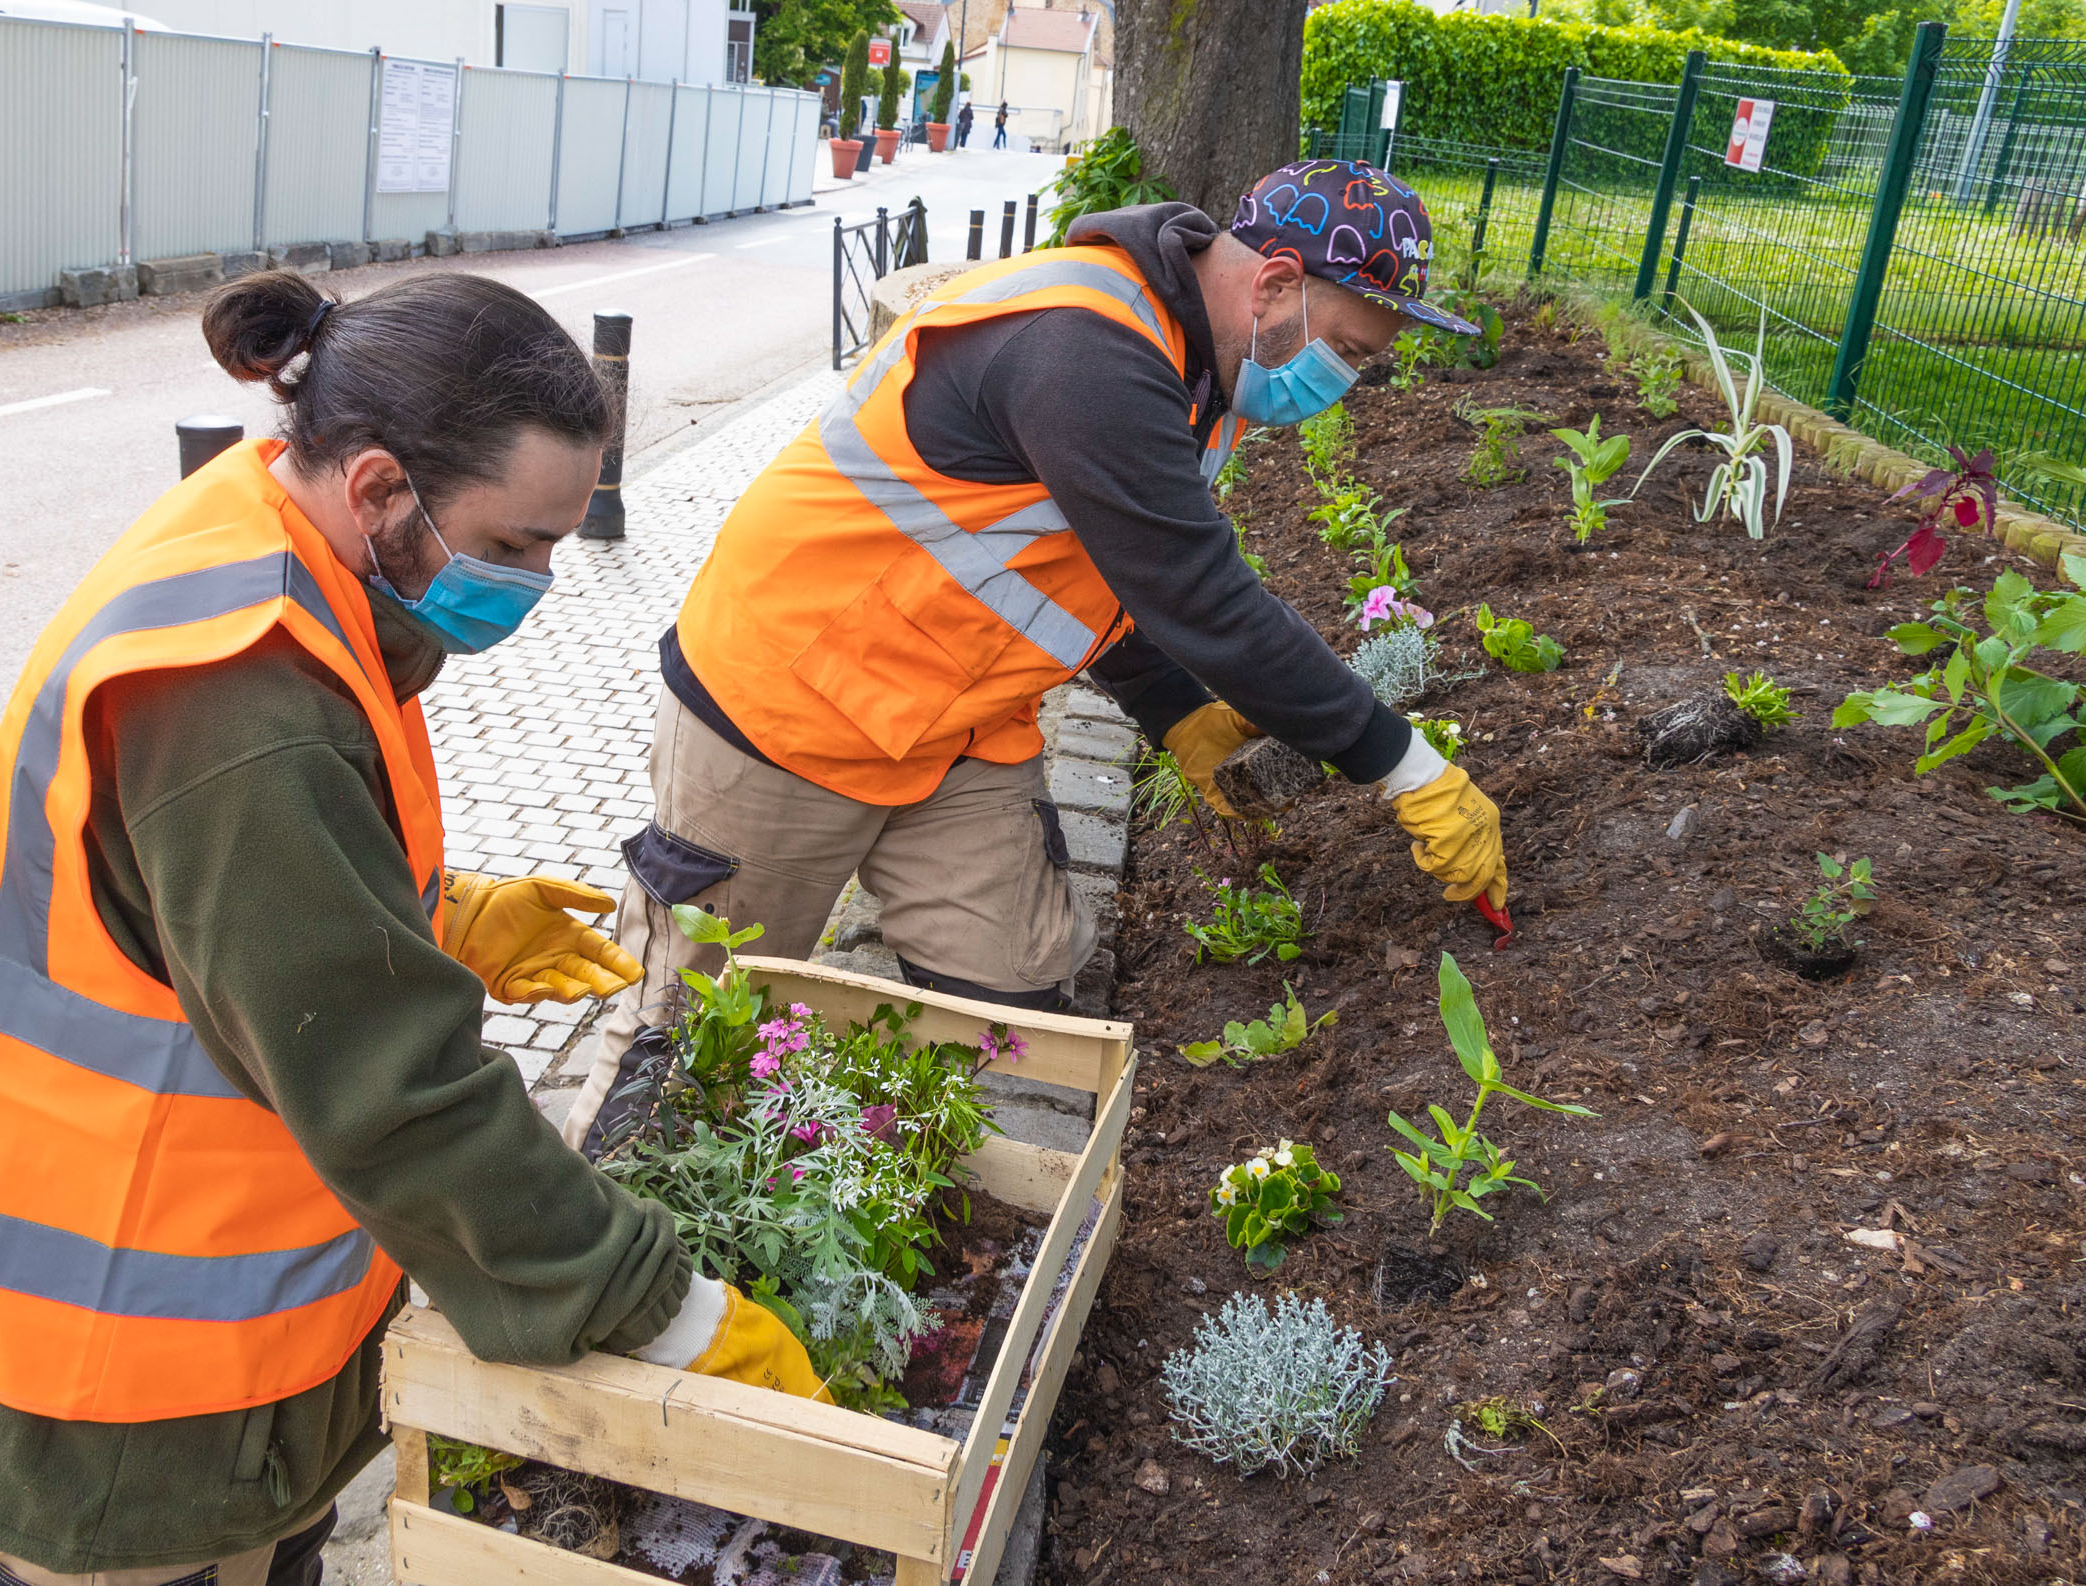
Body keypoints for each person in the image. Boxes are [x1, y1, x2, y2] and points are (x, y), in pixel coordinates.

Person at [0, 269, 820, 1586]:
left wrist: (434, 919)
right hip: (125, 1385)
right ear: (380, 490)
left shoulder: (266, 534)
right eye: (516, 542)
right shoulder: (241, 696)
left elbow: (198, 909)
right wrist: (661, 1306)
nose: (538, 581)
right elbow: (394, 1091)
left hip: (183, 1346)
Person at [565, 158, 1504, 1154]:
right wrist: (1403, 764)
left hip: (953, 721)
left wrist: (1168, 706)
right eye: (1350, 349)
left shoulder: (1200, 368)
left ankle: (876, 1196)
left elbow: (1097, 563)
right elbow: (1202, 593)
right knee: (684, 1035)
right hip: (786, 705)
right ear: (1274, 284)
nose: (1344, 381)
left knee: (1009, 1000)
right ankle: (598, 1284)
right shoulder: (1086, 351)